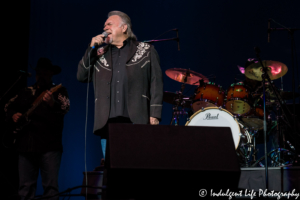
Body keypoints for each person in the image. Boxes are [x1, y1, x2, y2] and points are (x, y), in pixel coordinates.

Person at [77, 11, 163, 158]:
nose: (105, 28)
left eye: (109, 24)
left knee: (137, 166)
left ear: (124, 28)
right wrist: (90, 50)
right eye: (104, 25)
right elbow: (82, 76)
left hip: (136, 119)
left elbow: (156, 82)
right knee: (113, 171)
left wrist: (154, 114)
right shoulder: (98, 54)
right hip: (107, 124)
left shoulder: (146, 50)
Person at [4, 57, 70, 200]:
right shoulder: (25, 92)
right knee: (25, 189)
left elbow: (65, 107)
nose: (42, 76)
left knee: (51, 189)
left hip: (50, 147)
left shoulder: (59, 91)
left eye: (45, 73)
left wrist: (52, 103)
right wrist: (13, 115)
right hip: (25, 146)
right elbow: (8, 106)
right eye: (39, 73)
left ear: (51, 74)